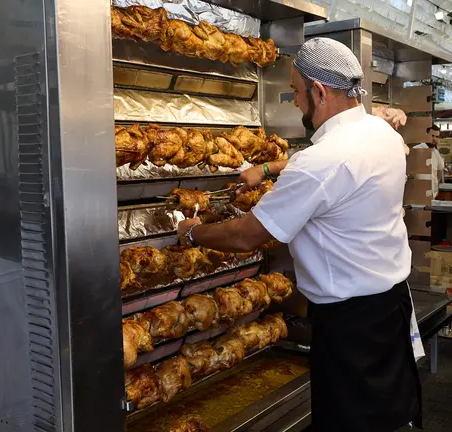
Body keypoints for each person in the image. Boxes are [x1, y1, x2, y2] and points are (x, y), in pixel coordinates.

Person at [177, 37, 422, 431]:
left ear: (319, 91)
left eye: (295, 90)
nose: (294, 101)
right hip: (389, 307)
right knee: (390, 414)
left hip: (349, 324)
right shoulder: (382, 134)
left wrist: (193, 233)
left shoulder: (320, 163)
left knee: (351, 422)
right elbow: (332, 163)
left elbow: (246, 236)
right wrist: (270, 169)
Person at [413, 125, 445, 198]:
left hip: (433, 194)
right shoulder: (416, 150)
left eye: (437, 137)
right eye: (432, 136)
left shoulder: (436, 152)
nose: (434, 139)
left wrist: (435, 185)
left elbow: (439, 170)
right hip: (419, 194)